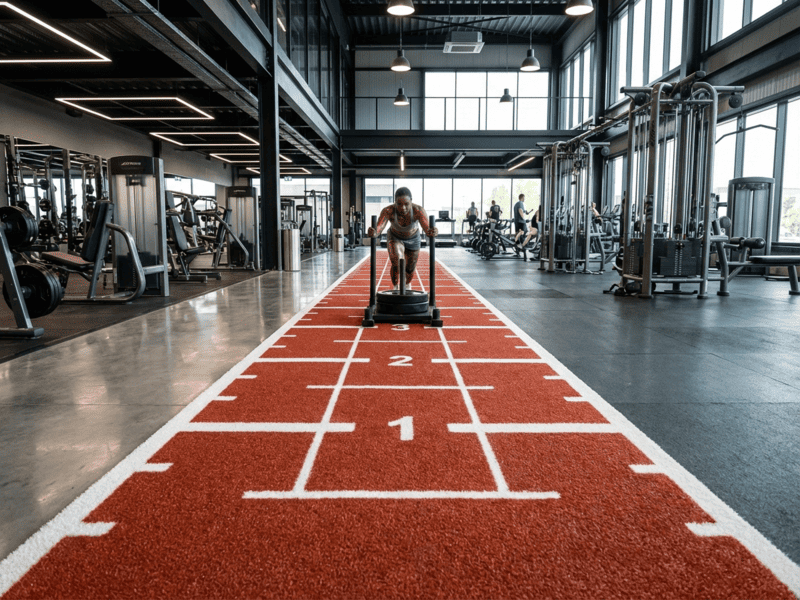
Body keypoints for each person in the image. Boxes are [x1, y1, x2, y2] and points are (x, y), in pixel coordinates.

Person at [367, 186, 438, 289]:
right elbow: (379, 228)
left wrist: (433, 231)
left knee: (410, 268)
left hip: (413, 238)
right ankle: (396, 286)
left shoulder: (418, 210)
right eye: (399, 204)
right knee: (396, 262)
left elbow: (427, 229)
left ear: (411, 201)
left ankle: (407, 284)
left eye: (406, 204)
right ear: (395, 202)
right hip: (395, 237)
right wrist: (374, 232)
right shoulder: (388, 210)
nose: (403, 208)